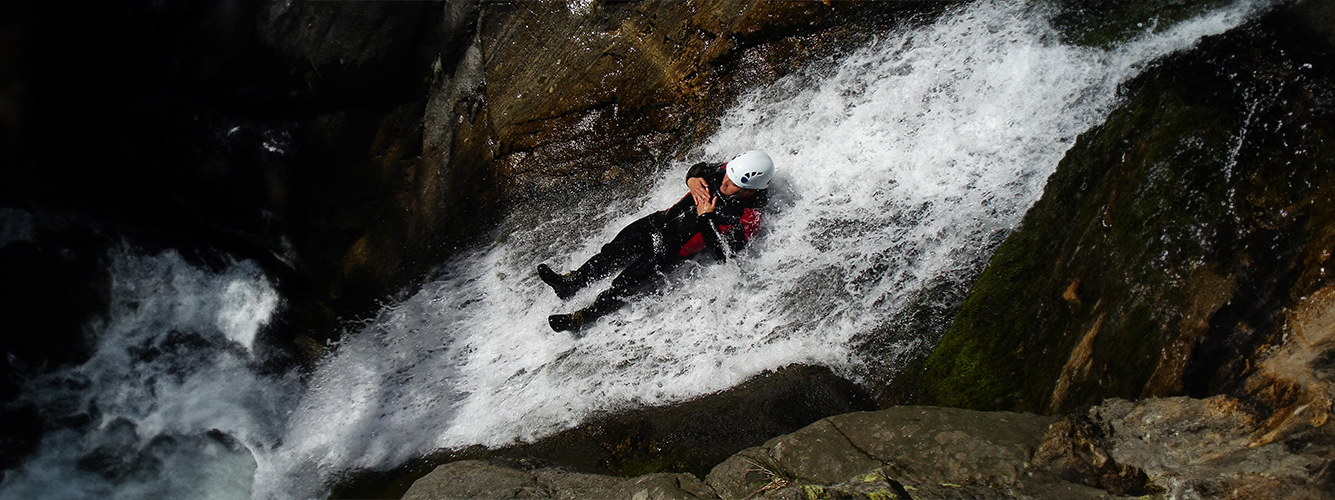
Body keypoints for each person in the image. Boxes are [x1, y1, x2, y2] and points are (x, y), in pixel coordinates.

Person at [539, 150, 775, 333]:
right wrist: (692, 180)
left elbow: (725, 255)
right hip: (658, 223)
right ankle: (570, 283)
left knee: (624, 284)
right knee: (610, 253)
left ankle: (583, 317)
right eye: (727, 175)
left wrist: (706, 217)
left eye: (733, 183)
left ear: (751, 190)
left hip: (669, 251)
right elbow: (698, 169)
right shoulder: (729, 171)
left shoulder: (747, 217)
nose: (724, 182)